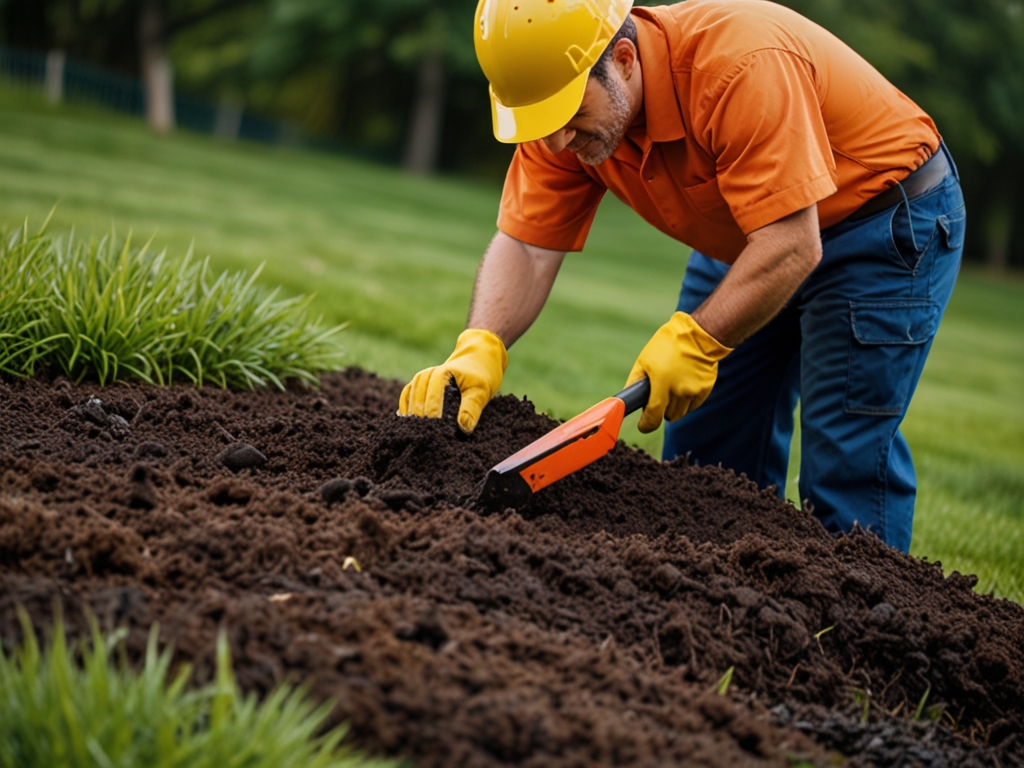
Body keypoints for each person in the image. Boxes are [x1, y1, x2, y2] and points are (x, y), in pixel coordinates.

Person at [398, 0, 965, 553]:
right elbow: (526, 245)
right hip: (750, 231)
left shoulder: (739, 63)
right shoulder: (560, 120)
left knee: (845, 461)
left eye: (569, 117)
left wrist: (700, 337)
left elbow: (792, 243)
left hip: (880, 224)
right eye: (540, 123)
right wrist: (481, 343)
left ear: (623, 59)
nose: (556, 142)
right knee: (704, 459)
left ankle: (864, 632)